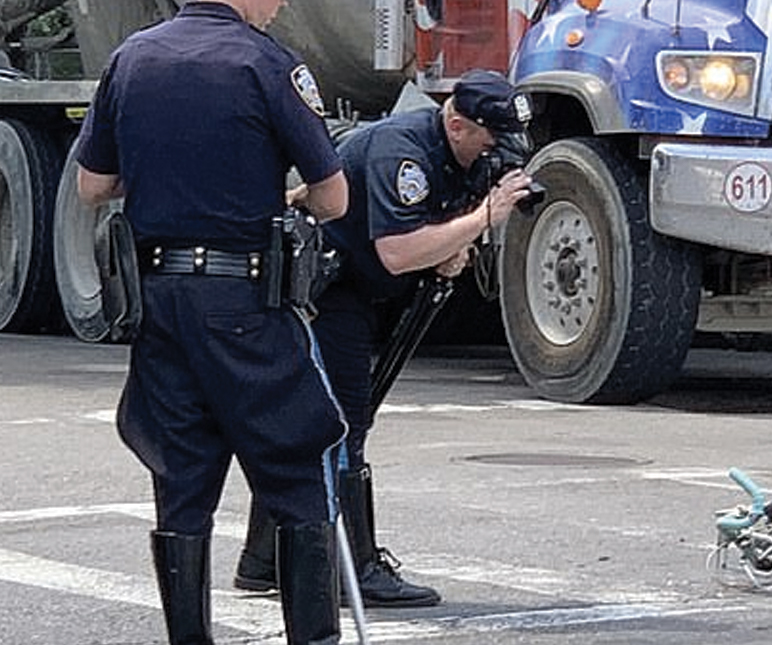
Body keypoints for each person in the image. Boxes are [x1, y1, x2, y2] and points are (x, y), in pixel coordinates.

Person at [75, 1, 350, 643]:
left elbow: (93, 184)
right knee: (294, 468)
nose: (282, 4)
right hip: (243, 300)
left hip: (159, 298)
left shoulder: (131, 58)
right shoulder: (265, 62)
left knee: (181, 476)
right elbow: (334, 196)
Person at [232, 69, 534, 607]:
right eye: (491, 138)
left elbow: (432, 228)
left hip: (363, 285)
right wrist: (484, 216)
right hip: (330, 285)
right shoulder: (404, 152)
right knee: (341, 423)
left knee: (313, 424)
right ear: (457, 124)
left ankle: (265, 560)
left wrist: (457, 238)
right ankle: (356, 567)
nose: (497, 152)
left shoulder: (461, 149)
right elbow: (398, 249)